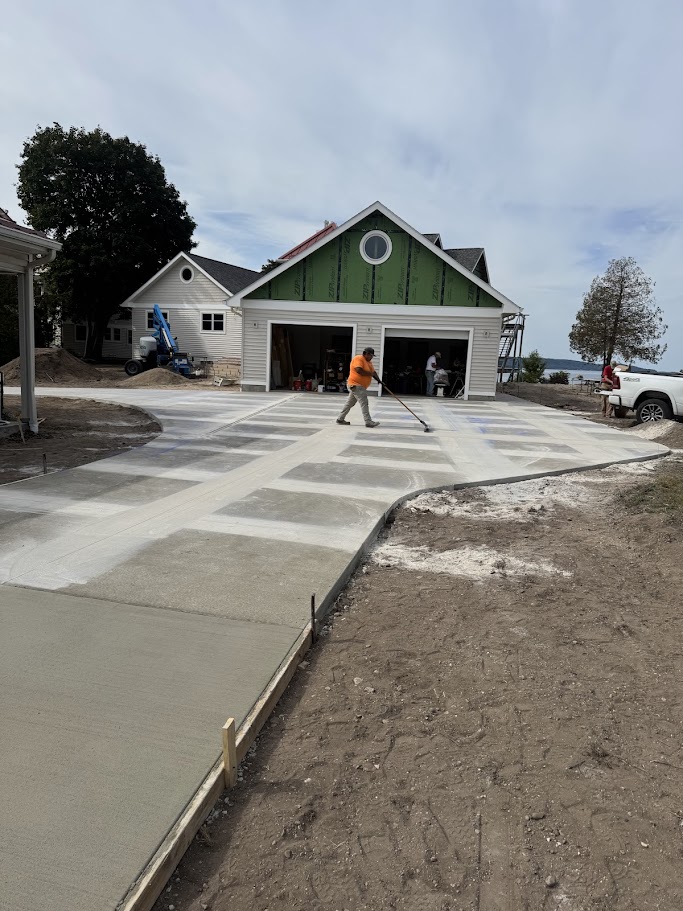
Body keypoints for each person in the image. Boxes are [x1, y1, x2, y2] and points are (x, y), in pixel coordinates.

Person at [336, 347, 380, 427]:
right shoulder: (359, 358)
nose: (371, 357)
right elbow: (359, 370)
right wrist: (370, 374)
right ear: (366, 354)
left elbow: (373, 372)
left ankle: (340, 419)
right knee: (364, 403)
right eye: (371, 355)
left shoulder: (369, 362)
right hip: (356, 385)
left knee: (349, 403)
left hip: (359, 386)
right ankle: (368, 421)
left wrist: (379, 381)